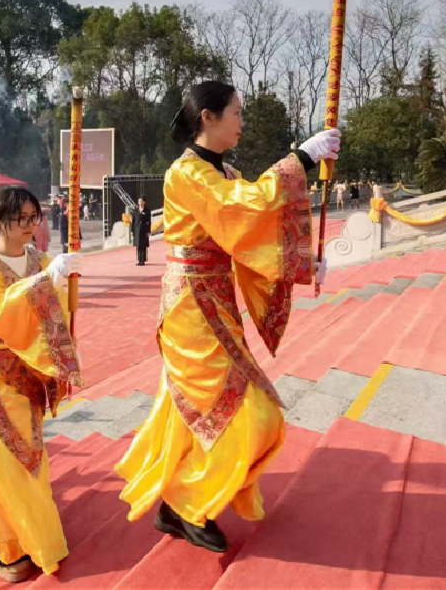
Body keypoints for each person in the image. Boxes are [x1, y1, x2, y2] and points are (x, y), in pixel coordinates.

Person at [115, 80, 335, 552]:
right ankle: (188, 504)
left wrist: (300, 264)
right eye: (236, 113)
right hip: (190, 305)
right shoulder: (186, 173)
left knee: (202, 407)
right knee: (246, 411)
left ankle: (178, 506)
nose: (242, 121)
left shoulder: (228, 173)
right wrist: (301, 158)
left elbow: (251, 232)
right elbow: (248, 206)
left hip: (216, 299)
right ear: (207, 118)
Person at [0, 188, 82, 582]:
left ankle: (30, 528)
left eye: (35, 217)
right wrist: (47, 281)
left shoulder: (41, 259)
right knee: (4, 455)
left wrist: (61, 285)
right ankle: (10, 541)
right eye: (22, 218)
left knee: (31, 452)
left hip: (28, 367)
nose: (31, 225)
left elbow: (55, 316)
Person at [131, 197, 152, 266]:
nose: (140, 203)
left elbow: (149, 221)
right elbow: (133, 221)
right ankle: (139, 260)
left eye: (142, 201)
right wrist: (132, 230)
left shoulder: (147, 211)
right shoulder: (135, 211)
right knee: (138, 246)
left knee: (143, 246)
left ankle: (143, 260)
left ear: (144, 202)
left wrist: (148, 231)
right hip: (137, 230)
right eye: (139, 201)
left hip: (144, 230)